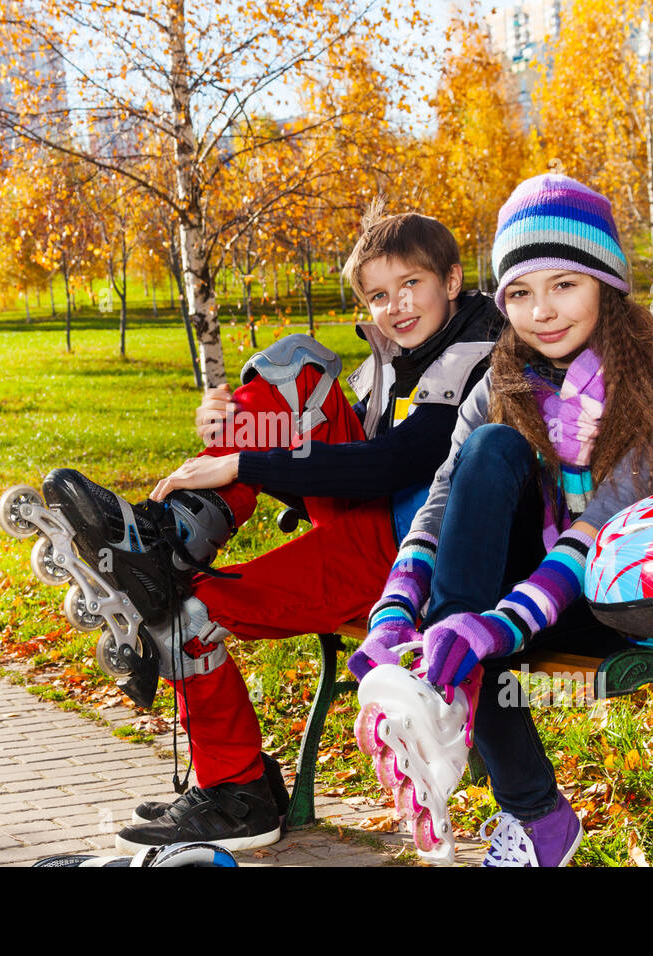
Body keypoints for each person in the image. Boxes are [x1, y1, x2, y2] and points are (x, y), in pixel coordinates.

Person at [38, 209, 505, 852]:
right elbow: (330, 470)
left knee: (189, 612)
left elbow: (399, 463)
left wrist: (242, 458)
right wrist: (232, 436)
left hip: (418, 567)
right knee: (298, 371)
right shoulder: (396, 359)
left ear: (452, 280)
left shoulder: (485, 356)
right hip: (372, 531)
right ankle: (169, 534)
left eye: (410, 285)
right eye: (376, 295)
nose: (394, 306)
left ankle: (238, 794)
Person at [349, 173, 653, 867]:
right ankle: (527, 801)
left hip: (636, 598)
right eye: (519, 292)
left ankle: (443, 690)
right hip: (548, 595)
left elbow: (604, 526)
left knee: (470, 636)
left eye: (563, 285)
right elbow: (444, 499)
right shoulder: (504, 378)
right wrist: (396, 611)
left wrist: (491, 624)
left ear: (606, 281)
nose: (540, 312)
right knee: (488, 453)